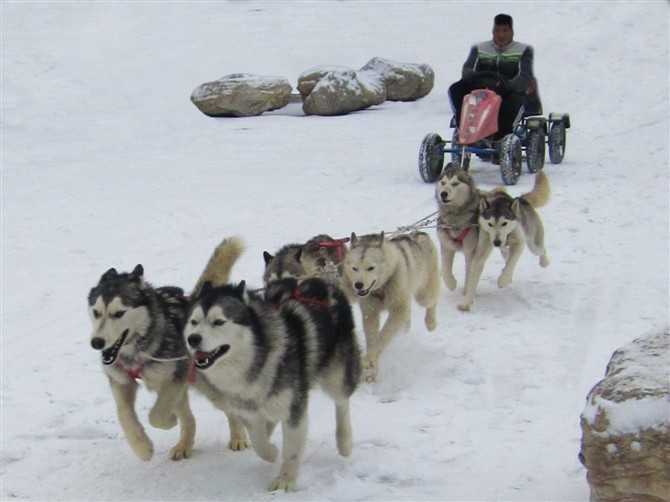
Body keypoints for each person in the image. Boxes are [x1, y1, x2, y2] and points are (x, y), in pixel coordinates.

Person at [449, 14, 540, 139]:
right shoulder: (479, 48)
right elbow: (467, 69)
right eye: (497, 30)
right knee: (455, 89)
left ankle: (501, 136)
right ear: (493, 31)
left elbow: (525, 76)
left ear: (511, 32)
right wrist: (474, 79)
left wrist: (507, 85)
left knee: (511, 103)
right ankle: (462, 126)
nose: (501, 35)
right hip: (481, 88)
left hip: (508, 91)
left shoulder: (523, 50)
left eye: (505, 31)